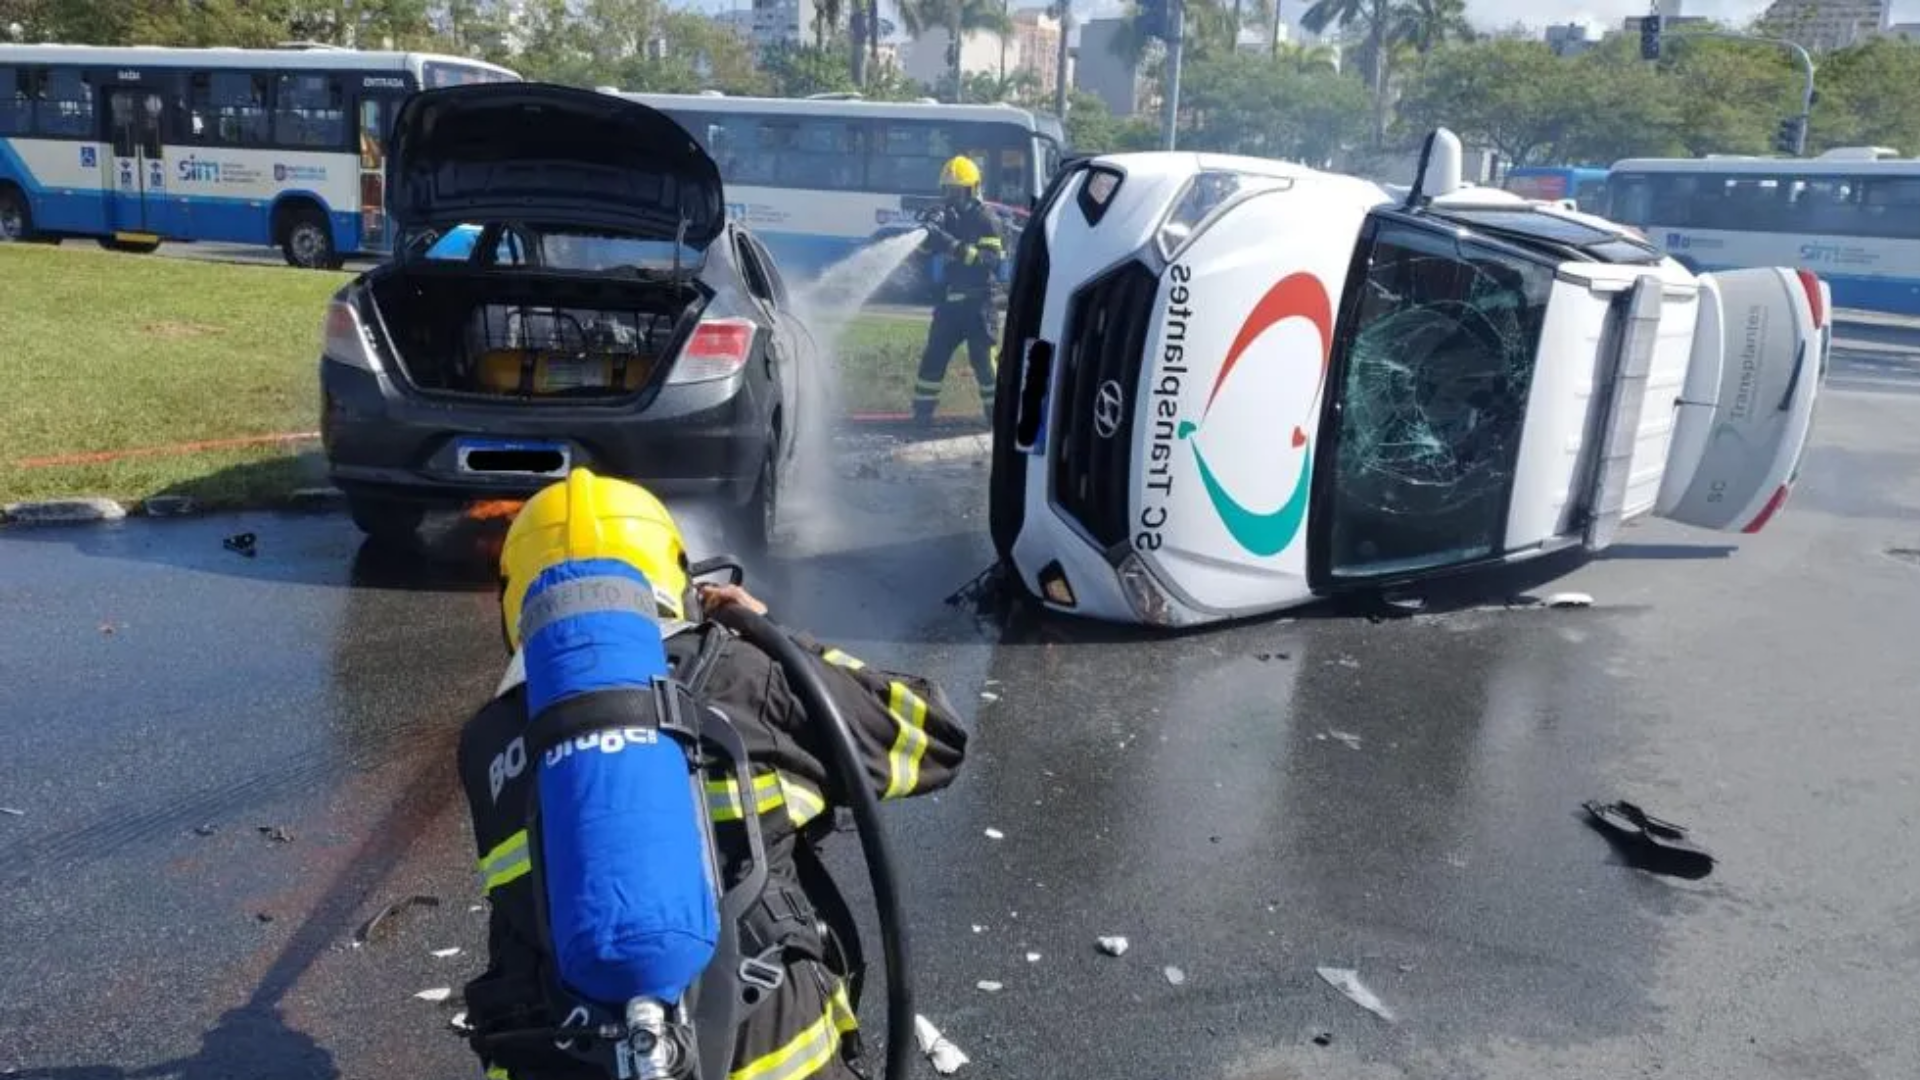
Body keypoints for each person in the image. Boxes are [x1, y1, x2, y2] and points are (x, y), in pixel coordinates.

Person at [456, 468, 969, 1080]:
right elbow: (932, 739)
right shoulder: (751, 675)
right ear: (676, 576)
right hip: (771, 1057)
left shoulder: (489, 740)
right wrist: (776, 640)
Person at [912, 155, 1007, 428]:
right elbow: (921, 254)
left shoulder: (986, 220)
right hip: (950, 305)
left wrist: (951, 244)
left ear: (973, 189)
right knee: (933, 358)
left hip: (979, 304)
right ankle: (921, 415)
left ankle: (995, 419)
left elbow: (989, 261)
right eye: (948, 191)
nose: (953, 197)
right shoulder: (946, 218)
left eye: (959, 191)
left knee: (984, 364)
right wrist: (928, 233)